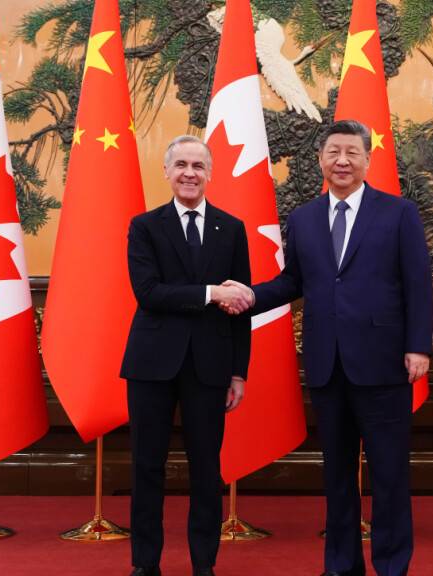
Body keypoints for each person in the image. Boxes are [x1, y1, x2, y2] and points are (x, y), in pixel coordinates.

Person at [239, 119, 433, 576]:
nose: (342, 161)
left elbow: (418, 284)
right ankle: (341, 565)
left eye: (351, 152)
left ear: (368, 159)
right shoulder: (303, 218)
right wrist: (247, 296)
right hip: (327, 366)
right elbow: (293, 282)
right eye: (333, 153)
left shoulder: (398, 212)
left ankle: (391, 565)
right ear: (321, 160)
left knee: (388, 476)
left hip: (385, 364)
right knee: (337, 475)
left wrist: (418, 346)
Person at [120, 135, 254, 576]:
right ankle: (145, 565)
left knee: (206, 471)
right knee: (147, 467)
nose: (190, 173)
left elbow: (240, 309)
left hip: (210, 366)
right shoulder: (145, 226)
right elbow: (149, 293)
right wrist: (210, 292)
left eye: (198, 165)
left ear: (210, 173)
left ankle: (204, 566)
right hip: (152, 365)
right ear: (166, 172)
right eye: (181, 165)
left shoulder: (231, 228)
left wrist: (239, 372)